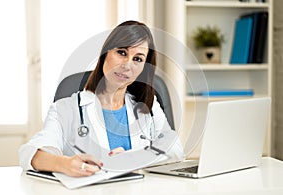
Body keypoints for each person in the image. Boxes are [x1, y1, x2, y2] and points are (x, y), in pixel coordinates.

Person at [19, 20, 184, 177]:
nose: (127, 65)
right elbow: (32, 154)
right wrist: (67, 164)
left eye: (138, 59)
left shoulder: (148, 106)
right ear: (105, 53)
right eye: (121, 52)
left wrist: (132, 158)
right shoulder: (65, 109)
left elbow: (175, 150)